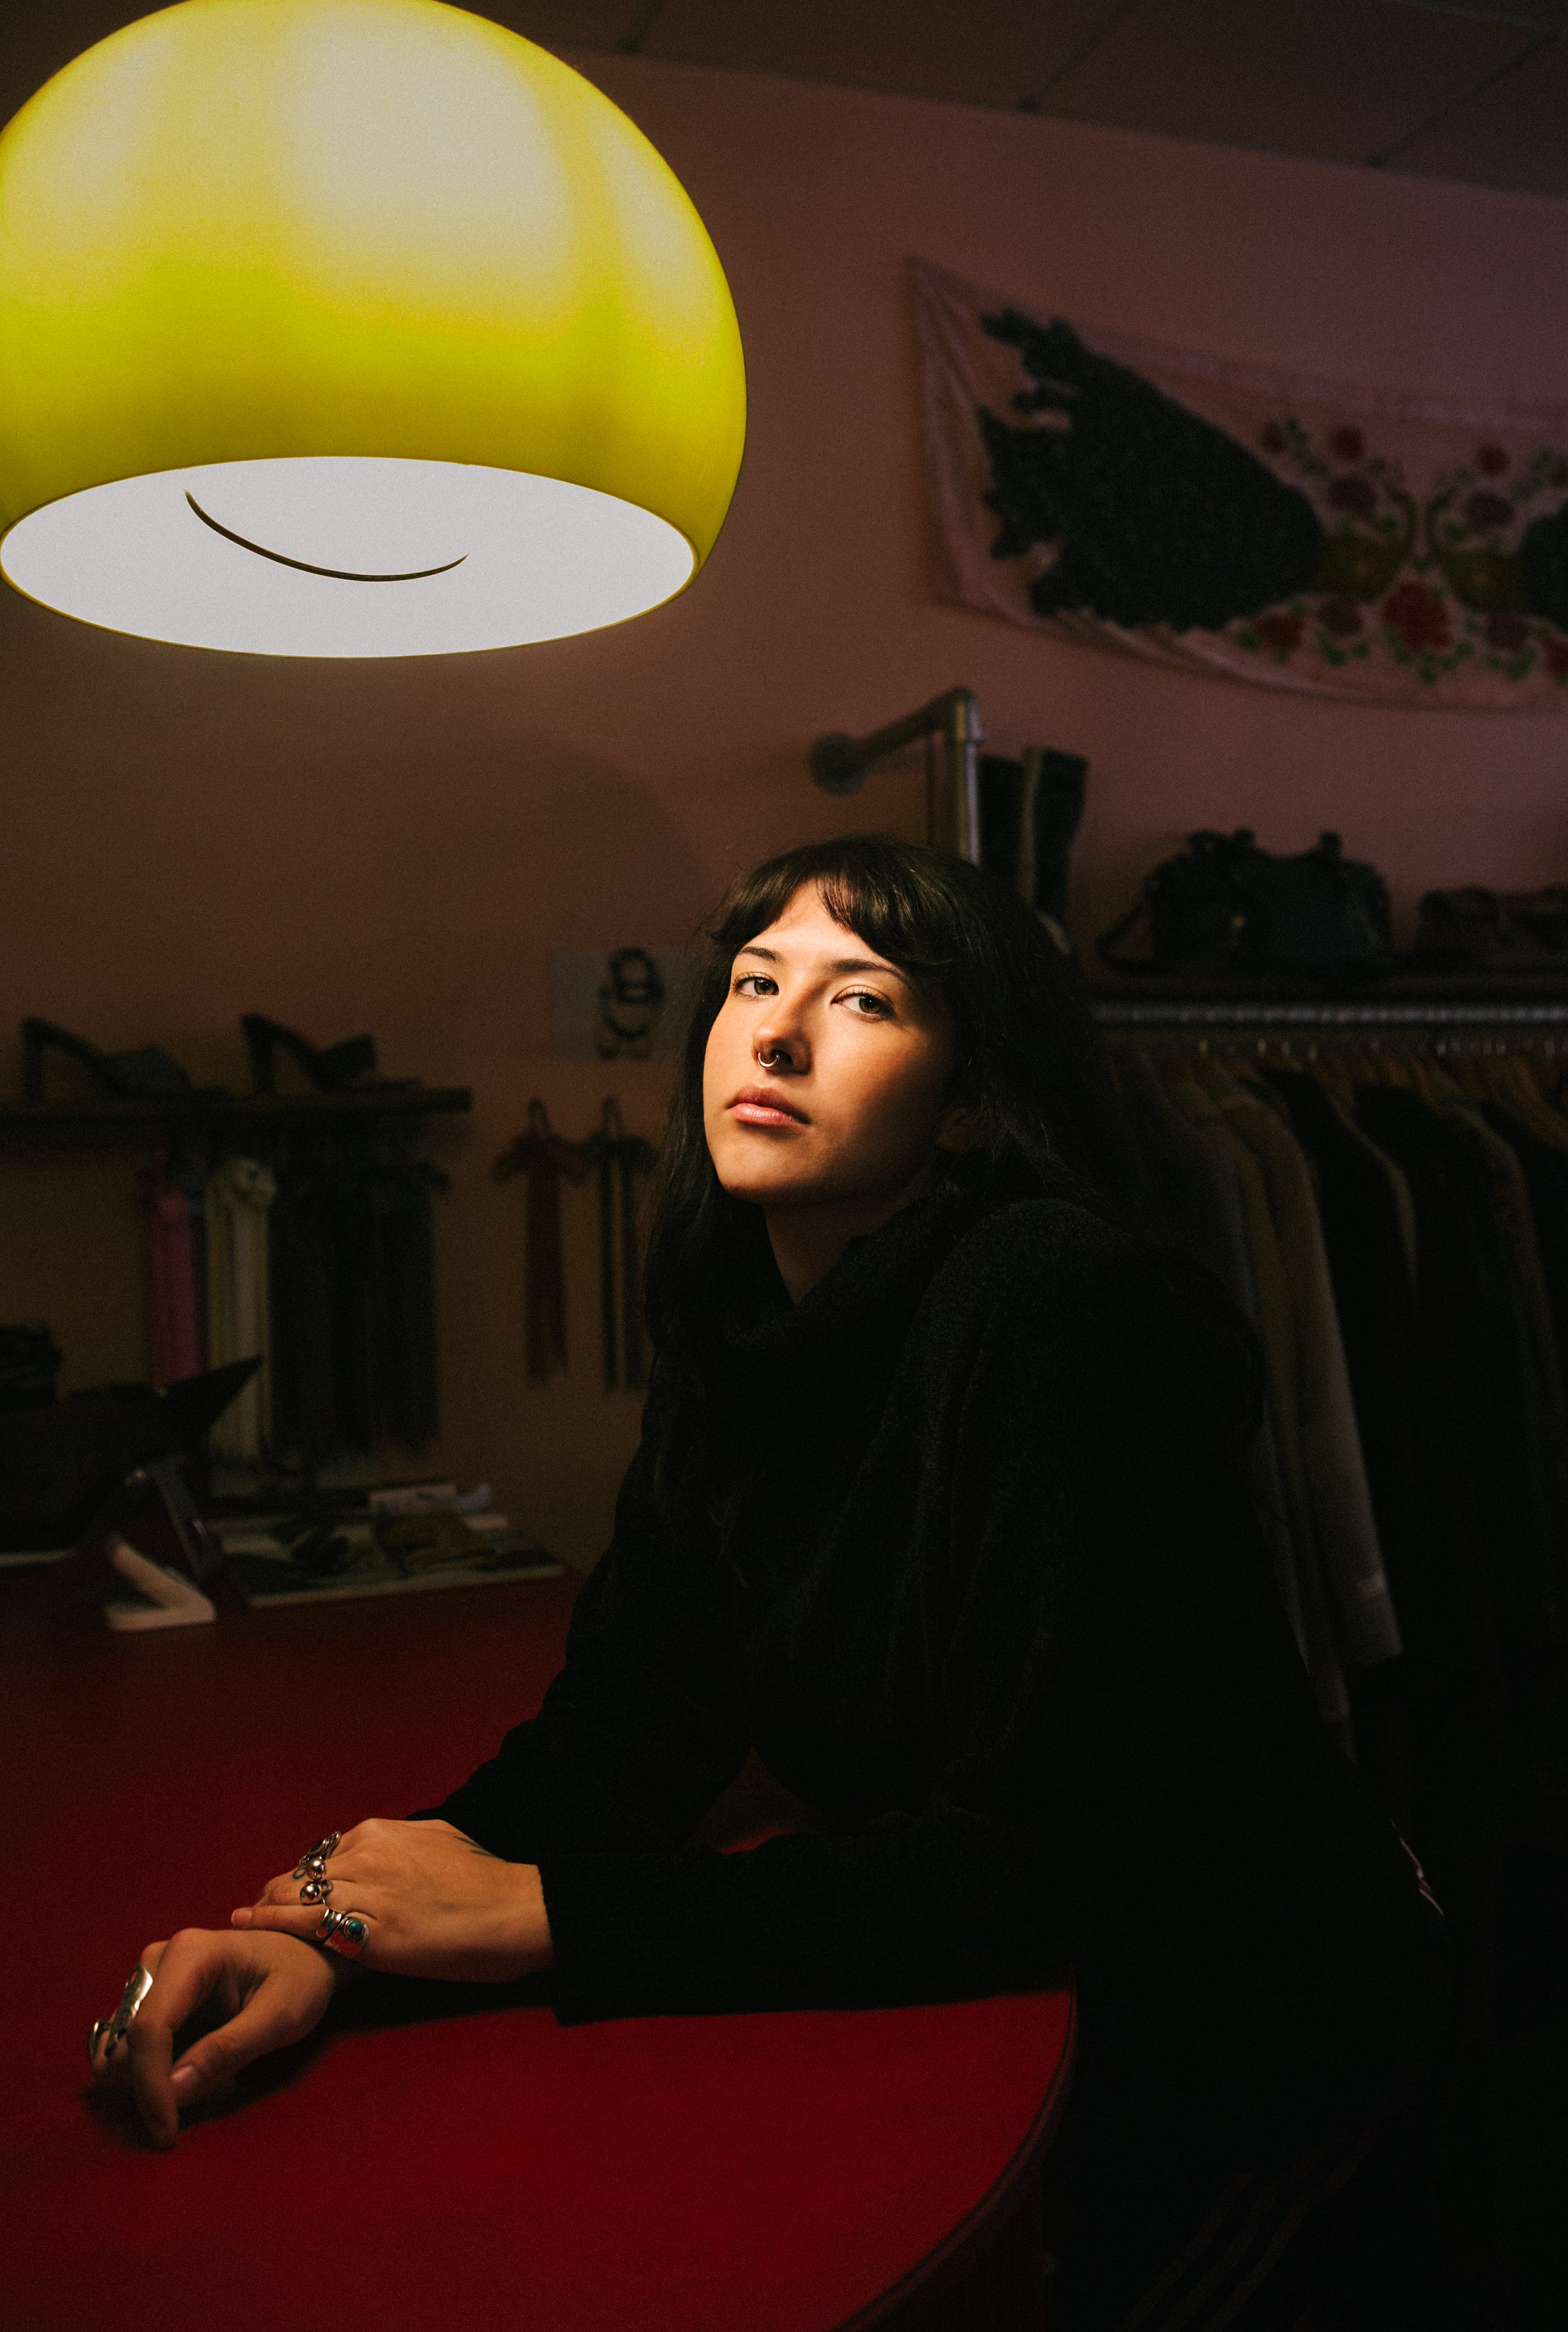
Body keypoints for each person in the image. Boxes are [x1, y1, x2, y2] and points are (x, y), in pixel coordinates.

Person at [93, 835, 1450, 2327]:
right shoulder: (744, 1332)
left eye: (862, 1000)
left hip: (1247, 2060)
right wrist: (327, 1937)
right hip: (1028, 2046)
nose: (777, 1034)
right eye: (753, 983)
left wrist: (546, 1915)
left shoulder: (1045, 1295)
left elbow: (1034, 1867)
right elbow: (630, 1726)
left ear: (970, 1098)